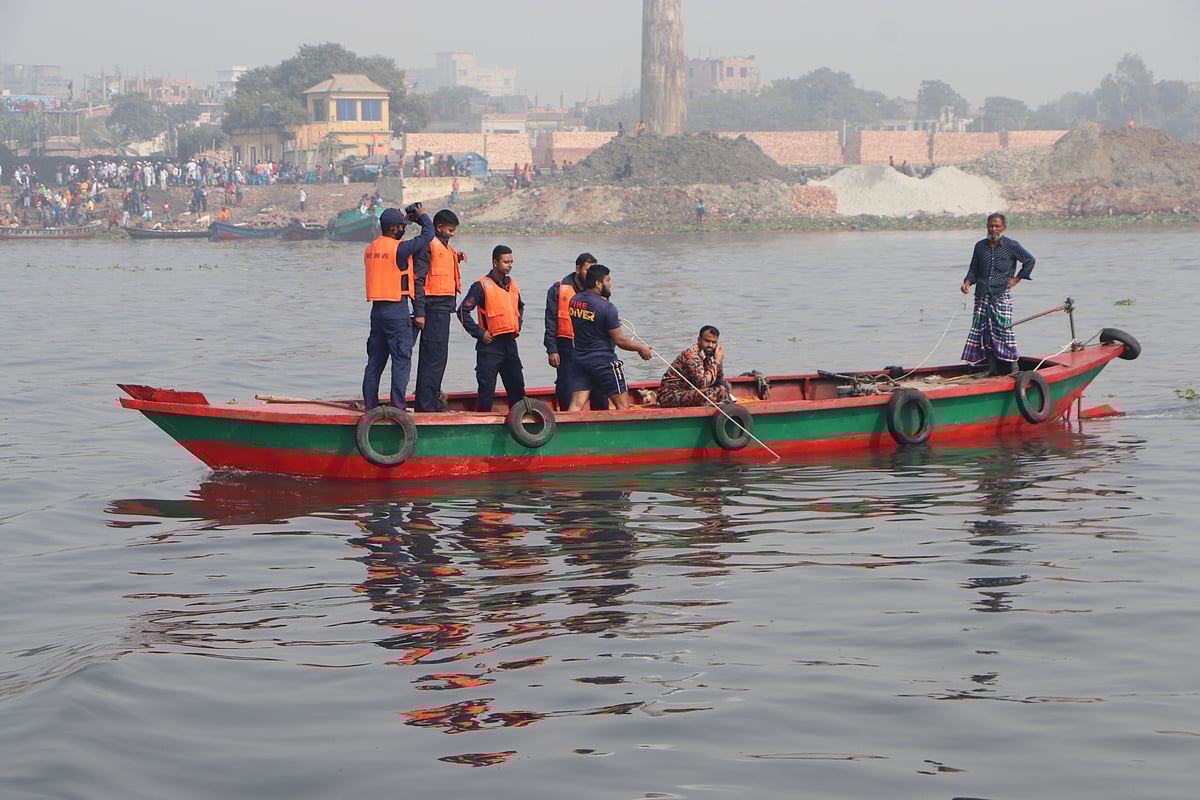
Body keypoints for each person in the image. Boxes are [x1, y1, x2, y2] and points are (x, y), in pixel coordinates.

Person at [361, 204, 436, 410]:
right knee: (401, 360)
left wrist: (407, 220)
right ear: (394, 229)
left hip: (377, 311)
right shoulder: (399, 249)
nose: (404, 229)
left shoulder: (370, 249)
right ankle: (397, 407)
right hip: (396, 309)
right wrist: (422, 216)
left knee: (375, 361)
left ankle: (370, 405)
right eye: (402, 226)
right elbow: (428, 235)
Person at [565, 264, 653, 411]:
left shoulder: (574, 301)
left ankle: (566, 432)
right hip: (603, 362)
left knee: (576, 406)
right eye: (608, 280)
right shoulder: (607, 307)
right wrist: (640, 348)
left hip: (580, 360)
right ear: (598, 283)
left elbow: (589, 321)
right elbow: (619, 340)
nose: (610, 284)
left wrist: (609, 323)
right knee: (623, 407)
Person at [960, 213, 1036, 376]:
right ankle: (991, 368)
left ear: (1004, 228)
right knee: (983, 330)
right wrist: (967, 282)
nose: (993, 229)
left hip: (1000, 294)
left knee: (1004, 329)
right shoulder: (980, 246)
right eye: (991, 226)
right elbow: (973, 270)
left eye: (997, 226)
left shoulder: (1011, 245)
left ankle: (1014, 367)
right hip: (982, 294)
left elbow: (1030, 260)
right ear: (987, 227)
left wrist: (1016, 280)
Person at [457, 245, 526, 412]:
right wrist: (480, 333)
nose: (509, 265)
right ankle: (483, 421)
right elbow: (462, 311)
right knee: (486, 390)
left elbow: (520, 307)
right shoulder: (481, 286)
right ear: (495, 262)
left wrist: (518, 324)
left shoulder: (512, 284)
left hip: (509, 344)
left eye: (511, 261)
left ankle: (519, 421)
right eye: (505, 262)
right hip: (490, 346)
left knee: (517, 388)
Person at [412, 209, 466, 411]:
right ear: (439, 227)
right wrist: (419, 312)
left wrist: (456, 259)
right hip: (432, 307)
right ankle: (426, 405)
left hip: (443, 308)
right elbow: (418, 279)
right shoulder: (428, 246)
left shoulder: (445, 247)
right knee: (432, 358)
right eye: (450, 230)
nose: (452, 234)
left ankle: (431, 399)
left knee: (439, 357)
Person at [544, 252, 607, 411]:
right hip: (567, 347)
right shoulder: (558, 289)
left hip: (593, 348)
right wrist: (552, 350)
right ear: (578, 269)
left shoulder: (600, 290)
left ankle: (601, 420)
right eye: (587, 270)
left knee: (599, 389)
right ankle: (566, 421)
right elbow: (550, 321)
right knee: (566, 388)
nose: (591, 275)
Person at [657, 326, 732, 408]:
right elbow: (703, 384)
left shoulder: (708, 356)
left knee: (721, 390)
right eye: (707, 341)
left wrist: (718, 362)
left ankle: (727, 415)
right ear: (699, 340)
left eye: (713, 342)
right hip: (670, 395)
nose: (710, 345)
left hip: (688, 391)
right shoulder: (691, 355)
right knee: (708, 393)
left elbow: (718, 382)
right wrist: (717, 362)